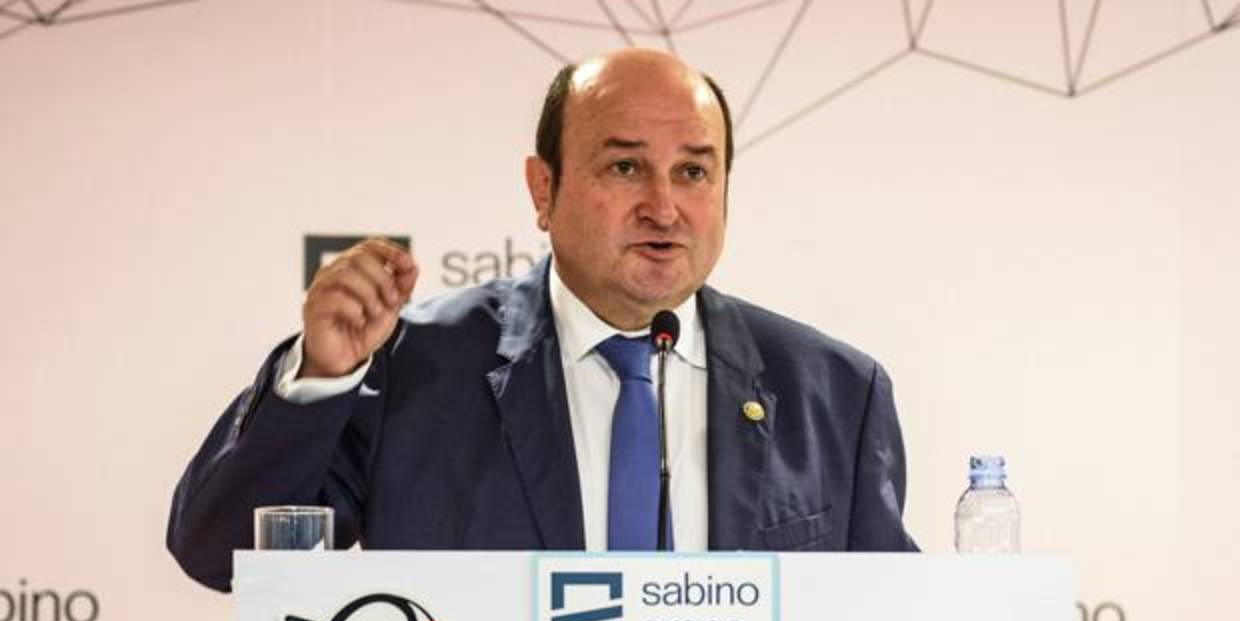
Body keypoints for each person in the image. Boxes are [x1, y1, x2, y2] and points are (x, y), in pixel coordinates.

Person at [167, 48, 917, 593]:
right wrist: (321, 380)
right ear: (543, 189)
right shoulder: (412, 364)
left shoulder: (835, 393)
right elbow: (222, 555)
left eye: (694, 171)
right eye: (625, 167)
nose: (664, 207)